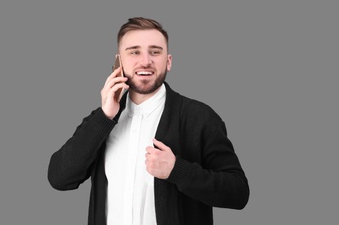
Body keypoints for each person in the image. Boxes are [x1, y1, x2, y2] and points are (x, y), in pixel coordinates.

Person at [47, 17, 250, 225]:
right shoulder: (101, 121)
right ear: (119, 62)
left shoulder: (199, 117)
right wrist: (104, 116)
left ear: (168, 61)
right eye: (134, 52)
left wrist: (177, 170)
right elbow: (59, 178)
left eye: (155, 51)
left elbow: (238, 193)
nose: (145, 61)